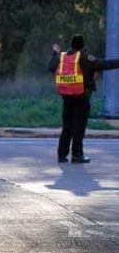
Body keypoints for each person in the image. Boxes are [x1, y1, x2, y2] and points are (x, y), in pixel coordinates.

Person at [49, 35, 119, 163]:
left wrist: (55, 52)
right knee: (79, 126)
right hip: (82, 96)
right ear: (82, 45)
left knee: (67, 126)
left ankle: (61, 155)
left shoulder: (62, 56)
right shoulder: (85, 57)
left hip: (66, 96)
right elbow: (105, 64)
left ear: (71, 44)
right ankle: (77, 155)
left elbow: (51, 67)